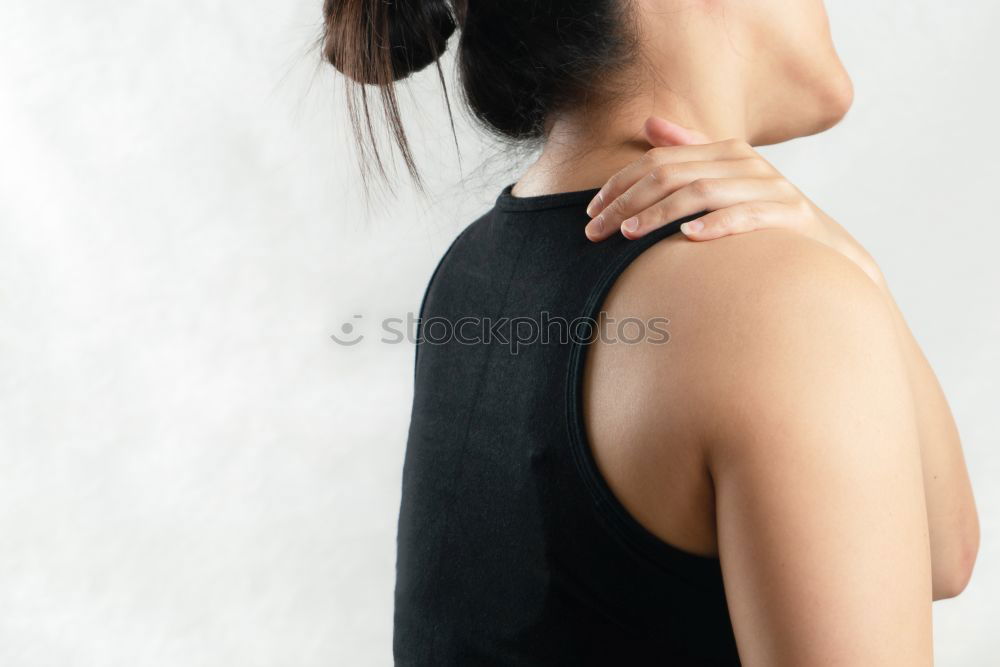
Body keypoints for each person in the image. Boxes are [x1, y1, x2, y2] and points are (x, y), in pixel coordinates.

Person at [323, 1, 980, 664]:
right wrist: (827, 283)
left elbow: (938, 557)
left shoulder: (477, 266)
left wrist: (849, 264)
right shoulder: (771, 305)